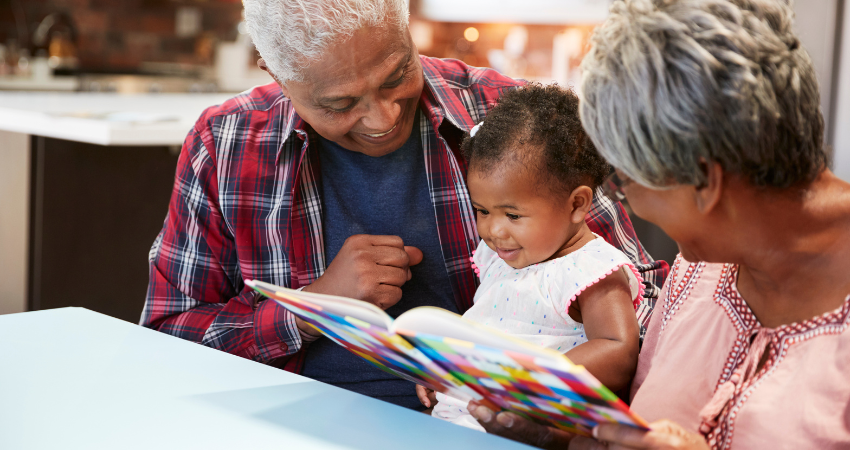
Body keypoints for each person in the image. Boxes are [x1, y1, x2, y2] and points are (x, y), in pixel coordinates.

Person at [140, 0, 667, 411]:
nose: (383, 117)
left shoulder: (516, 124)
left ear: (407, 28)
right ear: (275, 74)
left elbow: (650, 311)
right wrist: (310, 308)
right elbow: (166, 339)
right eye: (341, 104)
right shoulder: (226, 144)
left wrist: (529, 393)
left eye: (396, 74)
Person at [467, 0, 850, 448]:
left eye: (626, 184)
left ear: (705, 181)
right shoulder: (694, 273)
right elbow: (630, 422)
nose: (628, 204)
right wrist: (558, 435)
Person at [417, 84, 642, 430]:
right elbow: (492, 321)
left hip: (526, 429)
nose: (493, 230)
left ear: (577, 205)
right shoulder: (501, 258)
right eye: (482, 210)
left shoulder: (591, 271)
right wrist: (449, 365)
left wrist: (528, 380)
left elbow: (618, 349)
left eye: (513, 215)